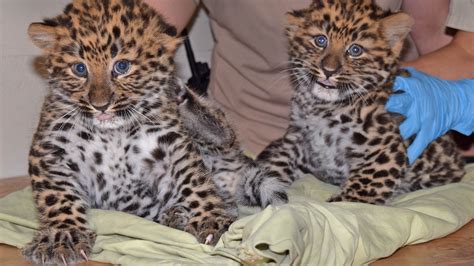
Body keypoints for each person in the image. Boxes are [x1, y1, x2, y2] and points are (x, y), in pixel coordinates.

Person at [147, 0, 474, 162]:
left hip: (376, 149)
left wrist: (422, 96)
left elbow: (460, 52)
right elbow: (130, 38)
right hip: (245, 152)